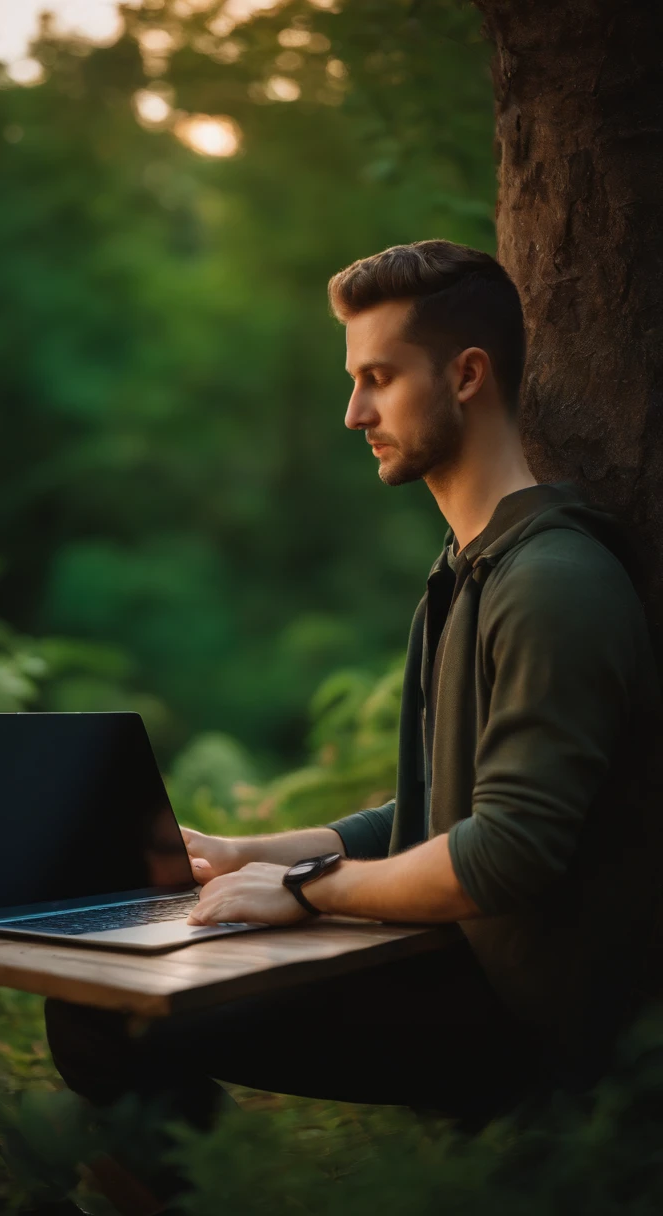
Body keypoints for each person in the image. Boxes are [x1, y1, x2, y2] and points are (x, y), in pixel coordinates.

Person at [45, 240, 662, 1203]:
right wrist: (248, 851)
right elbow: (425, 812)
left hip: (531, 1028)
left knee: (114, 1014)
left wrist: (309, 890)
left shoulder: (554, 582)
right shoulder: (465, 575)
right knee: (98, 992)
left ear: (466, 377)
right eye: (352, 380)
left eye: (378, 378)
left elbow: (510, 851)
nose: (353, 412)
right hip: (457, 970)